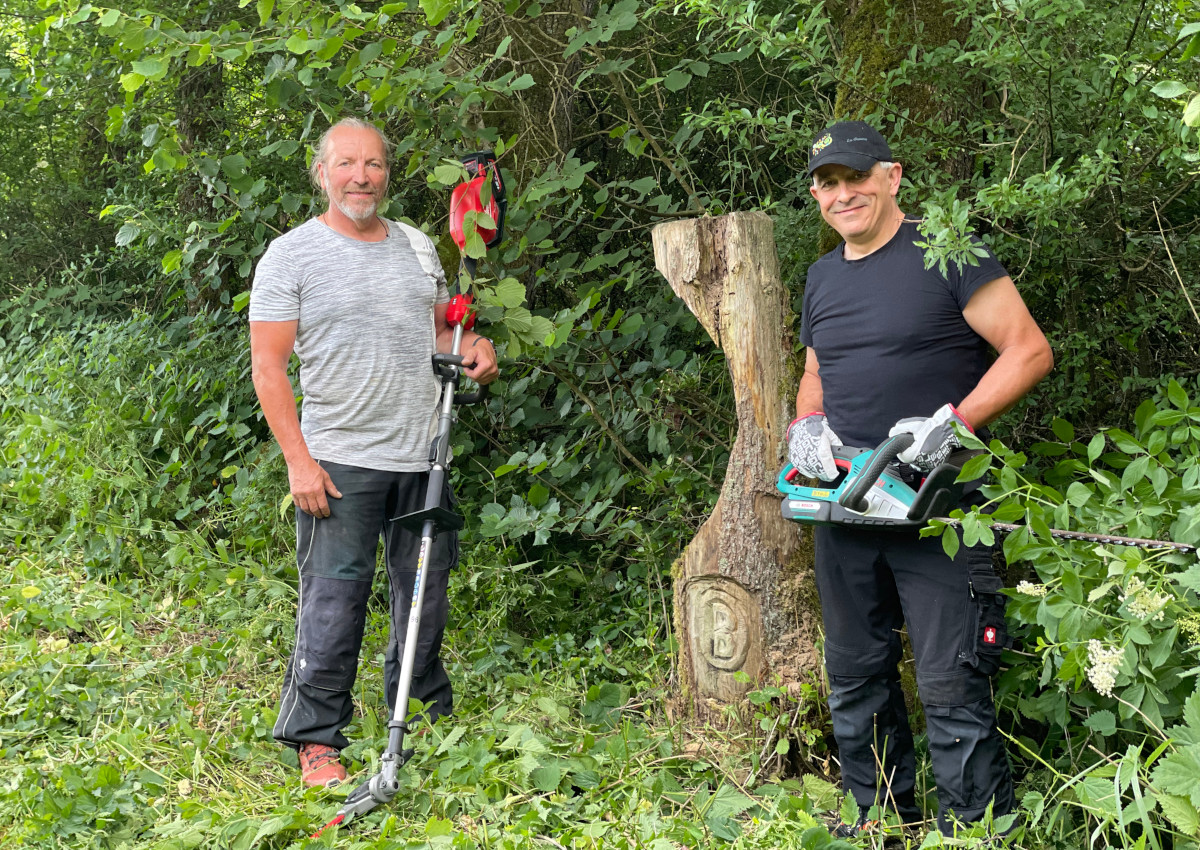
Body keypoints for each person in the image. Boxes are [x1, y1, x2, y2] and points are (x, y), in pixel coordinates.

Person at [787, 120, 1053, 836]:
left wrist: (953, 424)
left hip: (938, 504)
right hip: (843, 505)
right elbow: (817, 373)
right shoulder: (821, 277)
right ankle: (879, 822)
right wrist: (803, 426)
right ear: (816, 193)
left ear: (892, 176)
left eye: (856, 178)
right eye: (828, 183)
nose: (843, 194)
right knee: (855, 674)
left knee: (950, 680)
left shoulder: (947, 253)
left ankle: (975, 829)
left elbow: (1028, 351)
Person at [249, 117, 499, 788]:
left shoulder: (418, 246)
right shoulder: (292, 256)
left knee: (424, 593)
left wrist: (475, 350)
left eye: (375, 164)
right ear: (322, 173)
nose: (362, 176)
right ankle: (316, 741)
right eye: (348, 164)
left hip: (423, 454)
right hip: (340, 459)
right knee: (335, 600)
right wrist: (299, 461)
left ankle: (416, 714)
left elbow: (445, 335)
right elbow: (268, 368)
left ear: (388, 173)